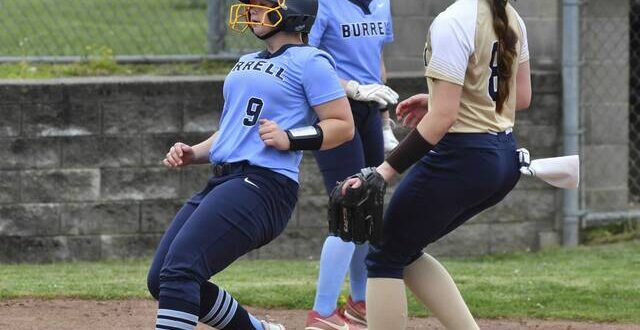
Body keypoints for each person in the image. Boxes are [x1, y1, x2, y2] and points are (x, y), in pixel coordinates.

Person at [146, 1, 355, 329]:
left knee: (181, 270)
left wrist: (291, 137)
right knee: (161, 279)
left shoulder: (311, 61)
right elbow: (234, 128)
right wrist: (194, 152)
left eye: (262, 4)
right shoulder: (246, 61)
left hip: (265, 185)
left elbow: (342, 125)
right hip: (225, 180)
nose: (250, 10)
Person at [342, 0, 532, 329]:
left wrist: (384, 171)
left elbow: (442, 119)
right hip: (503, 157)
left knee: (384, 254)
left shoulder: (453, 20)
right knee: (404, 247)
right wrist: (440, 98)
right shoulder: (510, 15)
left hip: (464, 156)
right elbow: (520, 97)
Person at [304, 0, 396, 329]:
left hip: (370, 107)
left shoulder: (381, 3)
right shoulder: (323, 4)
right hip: (334, 106)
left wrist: (385, 123)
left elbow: (377, 62)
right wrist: (352, 88)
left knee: (369, 204)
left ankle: (360, 302)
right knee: (348, 202)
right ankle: (323, 312)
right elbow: (304, 61)